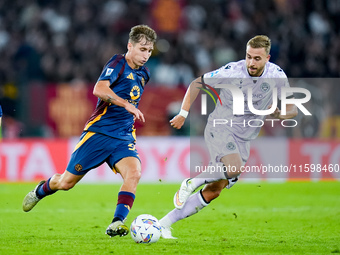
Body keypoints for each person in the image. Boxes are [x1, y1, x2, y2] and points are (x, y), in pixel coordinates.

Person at [22, 25, 157, 238]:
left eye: (149, 51)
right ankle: (41, 190)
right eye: (142, 49)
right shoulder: (117, 63)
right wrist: (126, 105)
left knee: (134, 173)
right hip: (99, 133)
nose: (146, 55)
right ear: (129, 46)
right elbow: (99, 89)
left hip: (123, 137)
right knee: (65, 183)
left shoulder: (144, 73)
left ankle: (117, 222)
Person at [159, 35, 298, 239]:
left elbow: (292, 109)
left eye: (257, 58)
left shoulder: (277, 75)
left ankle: (164, 223)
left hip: (244, 139)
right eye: (249, 56)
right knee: (233, 168)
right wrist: (183, 113)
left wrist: (279, 114)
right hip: (221, 127)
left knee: (214, 190)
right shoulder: (233, 70)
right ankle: (191, 182)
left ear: (267, 58)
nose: (251, 62)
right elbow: (198, 83)